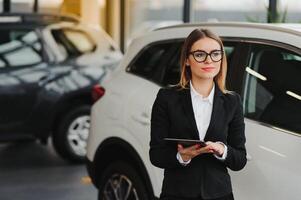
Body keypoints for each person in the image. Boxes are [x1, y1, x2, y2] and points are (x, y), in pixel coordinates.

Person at [149, 28, 247, 200]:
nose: (209, 60)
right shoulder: (167, 98)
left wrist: (222, 150)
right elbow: (156, 154)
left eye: (215, 54)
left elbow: (240, 159)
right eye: (200, 54)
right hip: (177, 193)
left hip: (219, 194)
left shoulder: (233, 102)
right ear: (187, 60)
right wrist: (181, 157)